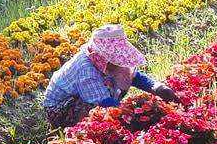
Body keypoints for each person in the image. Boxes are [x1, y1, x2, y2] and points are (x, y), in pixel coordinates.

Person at [42, 24, 178, 129]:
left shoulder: (107, 62)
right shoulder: (86, 68)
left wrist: (155, 87)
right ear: (102, 56)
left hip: (88, 95)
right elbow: (102, 102)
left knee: (118, 87)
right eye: (115, 59)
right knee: (92, 111)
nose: (120, 63)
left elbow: (133, 76)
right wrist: (132, 115)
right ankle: (77, 132)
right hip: (61, 107)